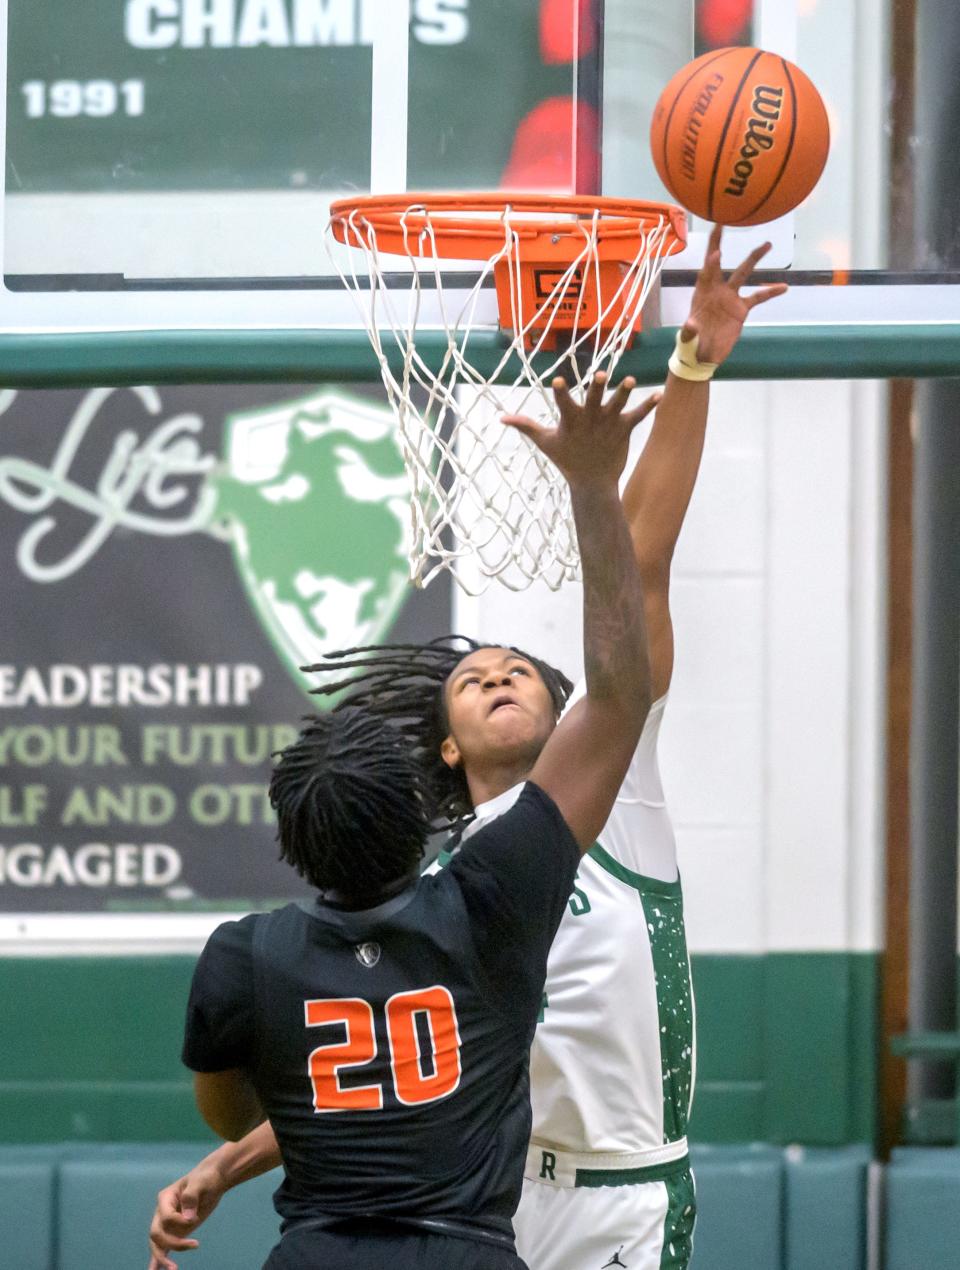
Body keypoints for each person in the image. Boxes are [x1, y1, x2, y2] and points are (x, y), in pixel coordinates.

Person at [149, 227, 786, 1270]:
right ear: (441, 748)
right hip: (482, 1199)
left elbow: (643, 562)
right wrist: (227, 1165)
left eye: (520, 666)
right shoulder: (436, 886)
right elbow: (377, 1074)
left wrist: (693, 363)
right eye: (472, 674)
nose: (497, 671)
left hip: (616, 1196)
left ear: (563, 703)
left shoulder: (616, 794)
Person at [165, 362, 661, 1270]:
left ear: (296, 845)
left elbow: (232, 1109)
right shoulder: (491, 894)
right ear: (413, 806)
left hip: (314, 1252)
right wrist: (591, 484)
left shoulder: (246, 955)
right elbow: (624, 694)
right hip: (463, 1249)